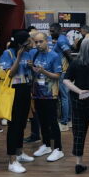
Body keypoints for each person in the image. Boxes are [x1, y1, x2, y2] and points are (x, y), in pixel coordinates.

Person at [63, 38, 89, 175]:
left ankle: (78, 163)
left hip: (78, 101)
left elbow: (66, 80)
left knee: (79, 132)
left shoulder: (75, 63)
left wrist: (79, 91)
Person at [1, 30, 36, 174]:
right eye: (29, 41)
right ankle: (11, 160)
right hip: (12, 92)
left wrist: (30, 67)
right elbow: (10, 73)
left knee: (22, 123)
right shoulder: (8, 54)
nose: (31, 43)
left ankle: (20, 153)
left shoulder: (28, 54)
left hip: (25, 90)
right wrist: (19, 57)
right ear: (21, 43)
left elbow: (30, 74)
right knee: (14, 126)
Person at [30, 31, 65, 162]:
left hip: (51, 94)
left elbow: (57, 75)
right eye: (36, 42)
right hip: (38, 93)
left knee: (52, 122)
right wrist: (32, 69)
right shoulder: (35, 54)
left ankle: (58, 148)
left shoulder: (54, 56)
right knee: (42, 121)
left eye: (40, 41)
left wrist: (43, 71)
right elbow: (34, 71)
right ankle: (46, 145)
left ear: (46, 41)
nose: (38, 44)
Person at [49, 22, 73, 131]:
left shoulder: (61, 40)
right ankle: (68, 120)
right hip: (64, 71)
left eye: (53, 31)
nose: (51, 32)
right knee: (66, 96)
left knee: (64, 97)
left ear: (59, 30)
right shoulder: (60, 39)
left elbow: (69, 54)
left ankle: (64, 122)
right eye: (50, 30)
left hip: (63, 71)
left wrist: (71, 70)